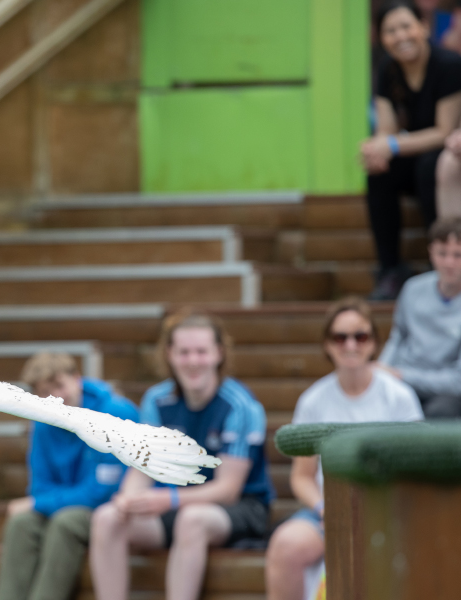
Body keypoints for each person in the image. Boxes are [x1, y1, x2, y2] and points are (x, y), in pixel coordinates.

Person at [88, 312, 274, 600]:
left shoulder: (240, 406)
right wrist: (128, 499)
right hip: (178, 505)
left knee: (192, 519)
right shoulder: (157, 400)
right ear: (170, 355)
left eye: (201, 352)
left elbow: (228, 490)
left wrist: (167, 499)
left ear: (219, 354)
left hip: (240, 508)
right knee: (107, 517)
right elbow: (143, 467)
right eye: (184, 352)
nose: (193, 361)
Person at [265, 297, 423, 600]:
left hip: (386, 509)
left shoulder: (399, 397)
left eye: (360, 336)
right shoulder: (313, 400)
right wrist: (323, 508)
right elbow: (302, 476)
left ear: (374, 343)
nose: (350, 344)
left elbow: (414, 466)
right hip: (328, 510)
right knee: (285, 545)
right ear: (327, 344)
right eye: (340, 337)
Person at [0, 352, 139, 600]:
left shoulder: (115, 413)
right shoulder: (42, 422)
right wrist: (42, 502)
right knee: (21, 523)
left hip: (113, 510)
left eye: (60, 386)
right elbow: (39, 486)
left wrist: (41, 503)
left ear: (77, 379)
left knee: (65, 523)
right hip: (68, 506)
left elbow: (102, 492)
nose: (56, 397)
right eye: (46, 392)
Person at [361, 0, 461, 300]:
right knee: (379, 173)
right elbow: (386, 127)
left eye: (406, 26)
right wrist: (378, 149)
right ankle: (390, 269)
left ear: (424, 27)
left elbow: (444, 131)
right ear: (381, 37)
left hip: (447, 153)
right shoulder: (387, 70)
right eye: (390, 30)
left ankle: (442, 258)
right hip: (415, 151)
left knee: (429, 166)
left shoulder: (448, 65)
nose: (400, 36)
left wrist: (390, 144)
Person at [377, 217, 461, 417]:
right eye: (442, 253)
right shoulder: (412, 289)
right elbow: (398, 337)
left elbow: (458, 382)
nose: (449, 262)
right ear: (431, 251)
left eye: (457, 255)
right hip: (401, 382)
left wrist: (401, 375)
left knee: (439, 412)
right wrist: (381, 371)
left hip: (444, 392)